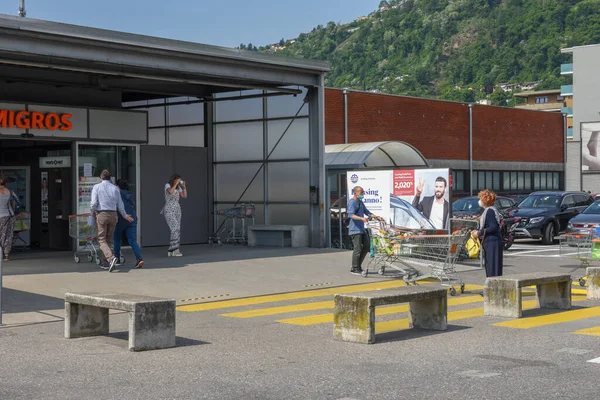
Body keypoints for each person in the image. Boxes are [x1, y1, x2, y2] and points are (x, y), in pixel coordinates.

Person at [90, 170, 133, 272]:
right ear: (110, 178)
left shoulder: (97, 187)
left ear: (101, 177)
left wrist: (92, 213)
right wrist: (125, 215)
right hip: (113, 214)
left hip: (102, 214)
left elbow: (93, 203)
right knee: (109, 239)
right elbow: (120, 204)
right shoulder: (115, 188)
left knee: (101, 239)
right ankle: (106, 263)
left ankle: (111, 258)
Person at [347, 186, 380, 275]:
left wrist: (375, 216)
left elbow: (367, 212)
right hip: (355, 229)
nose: (362, 194)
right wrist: (361, 218)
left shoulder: (360, 202)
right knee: (357, 249)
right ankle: (354, 268)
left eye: (363, 193)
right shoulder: (352, 202)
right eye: (361, 193)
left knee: (366, 245)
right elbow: (351, 215)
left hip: (361, 229)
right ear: (355, 193)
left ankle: (358, 265)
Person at [471, 189, 503, 278]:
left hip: (492, 242)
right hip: (493, 242)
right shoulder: (491, 210)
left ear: (485, 200)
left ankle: (492, 288)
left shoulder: (489, 211)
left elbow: (493, 227)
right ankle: (492, 287)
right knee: (491, 266)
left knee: (492, 266)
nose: (479, 201)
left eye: (481, 199)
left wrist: (479, 232)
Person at [113, 180, 144, 269]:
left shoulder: (117, 193)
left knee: (117, 239)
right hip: (132, 218)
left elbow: (117, 206)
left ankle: (117, 259)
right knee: (132, 240)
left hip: (121, 219)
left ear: (117, 186)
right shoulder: (131, 194)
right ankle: (139, 258)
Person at [163, 174, 187, 257]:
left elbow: (184, 196)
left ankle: (172, 249)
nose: (178, 181)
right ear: (174, 179)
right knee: (174, 227)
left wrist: (184, 187)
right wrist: (175, 184)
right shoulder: (168, 185)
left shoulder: (178, 187)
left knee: (177, 229)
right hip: (169, 208)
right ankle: (175, 249)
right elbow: (169, 192)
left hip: (177, 208)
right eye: (177, 180)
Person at [0, 174, 17, 261]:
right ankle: (5, 255)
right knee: (8, 236)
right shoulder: (10, 191)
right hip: (9, 216)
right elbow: (18, 202)